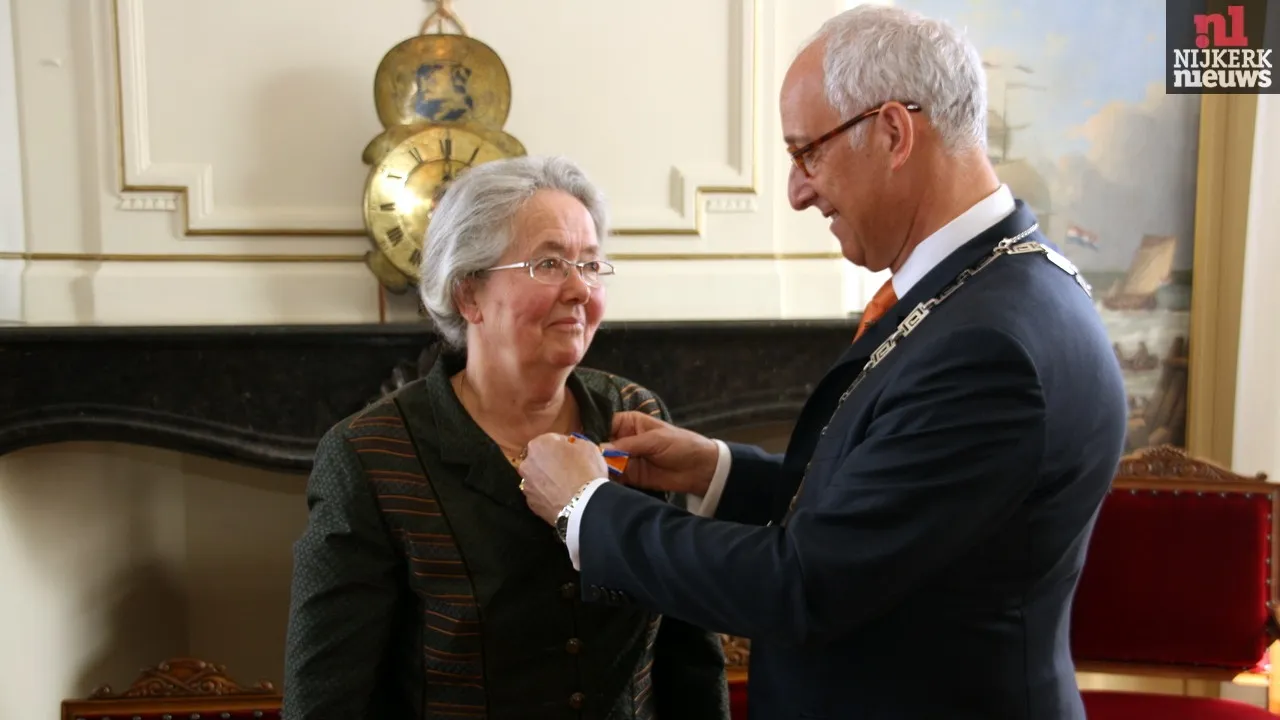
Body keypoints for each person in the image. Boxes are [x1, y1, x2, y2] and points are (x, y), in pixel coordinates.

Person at [515, 6, 1128, 720]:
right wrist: (717, 471)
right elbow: (888, 506)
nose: (797, 191)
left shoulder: (988, 346)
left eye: (808, 153)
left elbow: (803, 586)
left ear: (895, 132)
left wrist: (587, 509)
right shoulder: (998, 285)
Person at [281, 156, 730, 720]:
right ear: (469, 295)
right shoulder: (372, 454)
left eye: (590, 265)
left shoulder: (632, 417)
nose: (578, 288)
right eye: (549, 263)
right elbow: (327, 698)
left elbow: (689, 655)